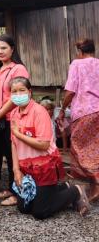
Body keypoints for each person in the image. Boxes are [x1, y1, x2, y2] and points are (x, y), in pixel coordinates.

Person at [9, 77, 90, 219]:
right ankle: (61, 187)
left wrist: (18, 134)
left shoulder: (39, 111)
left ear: (29, 92)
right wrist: (16, 170)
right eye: (14, 91)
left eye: (21, 90)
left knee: (40, 212)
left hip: (45, 166)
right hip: (27, 168)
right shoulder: (14, 113)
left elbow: (43, 144)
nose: (18, 94)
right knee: (24, 208)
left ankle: (75, 191)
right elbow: (13, 143)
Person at [0, 34, 29, 206]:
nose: (0, 51)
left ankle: (17, 192)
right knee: (5, 153)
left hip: (12, 118)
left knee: (15, 157)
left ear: (12, 49)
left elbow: (17, 95)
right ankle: (11, 187)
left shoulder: (18, 69)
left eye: (4, 48)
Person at [60, 38, 99, 202]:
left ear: (80, 52)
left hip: (84, 111)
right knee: (95, 148)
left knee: (79, 148)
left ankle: (96, 182)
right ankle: (91, 184)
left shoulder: (77, 64)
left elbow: (70, 91)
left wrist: (62, 108)